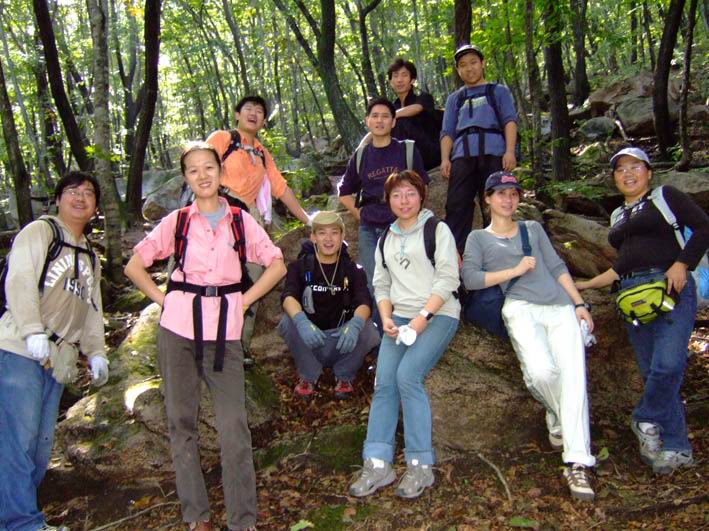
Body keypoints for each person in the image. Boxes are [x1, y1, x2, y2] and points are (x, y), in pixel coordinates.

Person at [124, 142, 286, 531]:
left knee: (234, 426)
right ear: (186, 178)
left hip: (224, 333)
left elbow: (277, 264)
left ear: (220, 171)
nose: (202, 175)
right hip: (177, 330)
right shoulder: (178, 222)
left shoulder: (239, 220)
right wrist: (165, 300)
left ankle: (242, 519)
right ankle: (196, 515)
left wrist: (244, 300)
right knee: (181, 423)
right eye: (193, 170)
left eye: (208, 167)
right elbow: (134, 266)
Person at [461, 171, 596, 502]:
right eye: (500, 193)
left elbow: (557, 267)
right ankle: (557, 413)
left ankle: (578, 462)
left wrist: (579, 304)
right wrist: (515, 270)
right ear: (487, 199)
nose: (508, 199)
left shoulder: (532, 229)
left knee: (574, 379)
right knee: (541, 373)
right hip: (519, 307)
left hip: (559, 307)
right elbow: (471, 279)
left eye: (513, 194)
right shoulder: (478, 238)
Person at [576, 147, 709, 475]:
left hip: (670, 287)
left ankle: (643, 417)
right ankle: (676, 447)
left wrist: (682, 263)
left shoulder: (666, 197)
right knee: (653, 372)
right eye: (621, 169)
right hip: (631, 295)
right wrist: (584, 284)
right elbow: (621, 266)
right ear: (614, 178)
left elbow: (703, 227)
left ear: (648, 172)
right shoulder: (617, 216)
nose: (628, 173)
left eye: (635, 166)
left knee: (669, 365)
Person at [0, 172, 109, 531]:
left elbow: (92, 309)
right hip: (19, 349)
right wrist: (32, 329)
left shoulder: (90, 256)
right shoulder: (40, 232)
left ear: (95, 206)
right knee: (16, 441)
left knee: (39, 447)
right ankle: (22, 523)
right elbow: (19, 280)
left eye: (88, 193)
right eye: (72, 191)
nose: (80, 197)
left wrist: (96, 351)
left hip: (57, 360)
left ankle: (16, 518)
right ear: (58, 198)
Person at [349, 170, 459, 500]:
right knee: (384, 382)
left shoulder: (437, 229)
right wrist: (386, 318)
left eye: (410, 193)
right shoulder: (387, 237)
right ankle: (377, 463)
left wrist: (422, 319)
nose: (404, 200)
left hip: (438, 313)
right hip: (398, 317)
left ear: (421, 196)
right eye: (397, 195)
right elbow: (381, 284)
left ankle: (420, 465)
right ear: (388, 200)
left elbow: (448, 278)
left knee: (408, 376)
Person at [207, 94, 310, 361]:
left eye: (260, 111)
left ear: (264, 121)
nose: (254, 113)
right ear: (237, 114)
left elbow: (281, 188)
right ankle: (199, 340)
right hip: (217, 211)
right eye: (248, 108)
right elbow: (201, 170)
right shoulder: (222, 139)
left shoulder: (262, 153)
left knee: (252, 275)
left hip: (247, 218)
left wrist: (308, 220)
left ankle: (237, 345)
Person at [338, 97, 430, 324]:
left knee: (407, 277)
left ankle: (411, 327)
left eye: (385, 116)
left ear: (393, 121)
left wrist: (409, 215)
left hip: (402, 226)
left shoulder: (406, 150)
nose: (380, 121)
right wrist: (360, 215)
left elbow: (422, 187)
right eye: (375, 116)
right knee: (374, 283)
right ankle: (382, 335)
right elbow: (344, 192)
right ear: (367, 121)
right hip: (370, 228)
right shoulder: (361, 156)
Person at [278, 211, 380, 399]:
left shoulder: (353, 270)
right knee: (287, 322)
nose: (328, 238)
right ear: (313, 237)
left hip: (342, 339)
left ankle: (345, 375)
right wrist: (302, 322)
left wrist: (355, 325)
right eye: (322, 233)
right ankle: (308, 375)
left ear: (342, 236)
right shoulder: (299, 267)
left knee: (368, 329)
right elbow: (288, 296)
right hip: (310, 339)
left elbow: (364, 301)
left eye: (334, 232)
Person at [440, 44, 518, 253]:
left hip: (494, 153)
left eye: (473, 62)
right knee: (457, 205)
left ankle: (501, 254)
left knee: (498, 203)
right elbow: (447, 131)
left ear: (482, 63)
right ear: (458, 70)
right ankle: (457, 258)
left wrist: (510, 151)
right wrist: (445, 158)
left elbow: (509, 121)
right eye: (463, 65)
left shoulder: (498, 91)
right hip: (462, 157)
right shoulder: (454, 99)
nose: (469, 68)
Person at [357, 59, 441, 170]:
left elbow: (417, 108)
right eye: (395, 76)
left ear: (412, 80)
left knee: (398, 123)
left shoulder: (423, 97)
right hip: (405, 155)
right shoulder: (392, 107)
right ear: (391, 82)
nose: (399, 80)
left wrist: (390, 117)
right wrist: (362, 145)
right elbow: (381, 127)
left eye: (404, 75)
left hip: (429, 152)